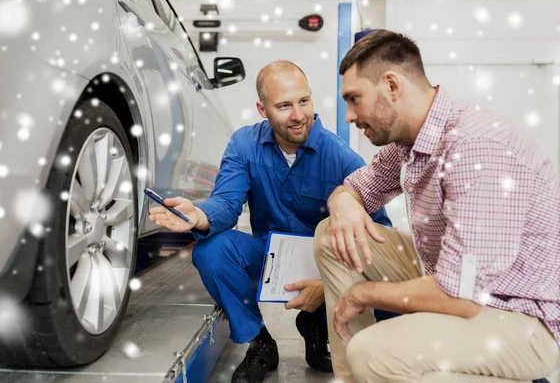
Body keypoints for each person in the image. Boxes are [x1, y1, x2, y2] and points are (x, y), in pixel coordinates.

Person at [314, 29, 560, 382]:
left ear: (392, 86)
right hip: (455, 280)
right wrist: (343, 203)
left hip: (520, 316)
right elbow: (357, 187)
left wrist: (364, 293)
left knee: (374, 353)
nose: (349, 115)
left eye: (354, 98)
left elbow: (461, 296)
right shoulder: (413, 139)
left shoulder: (475, 147)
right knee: (331, 236)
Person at [149, 60, 391, 383]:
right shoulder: (244, 145)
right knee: (211, 251)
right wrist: (200, 215)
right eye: (284, 106)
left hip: (324, 266)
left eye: (304, 101)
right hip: (269, 256)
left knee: (359, 269)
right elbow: (227, 201)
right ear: (262, 109)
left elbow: (381, 235)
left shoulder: (341, 157)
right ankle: (259, 341)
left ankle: (317, 329)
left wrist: (328, 285)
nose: (298, 115)